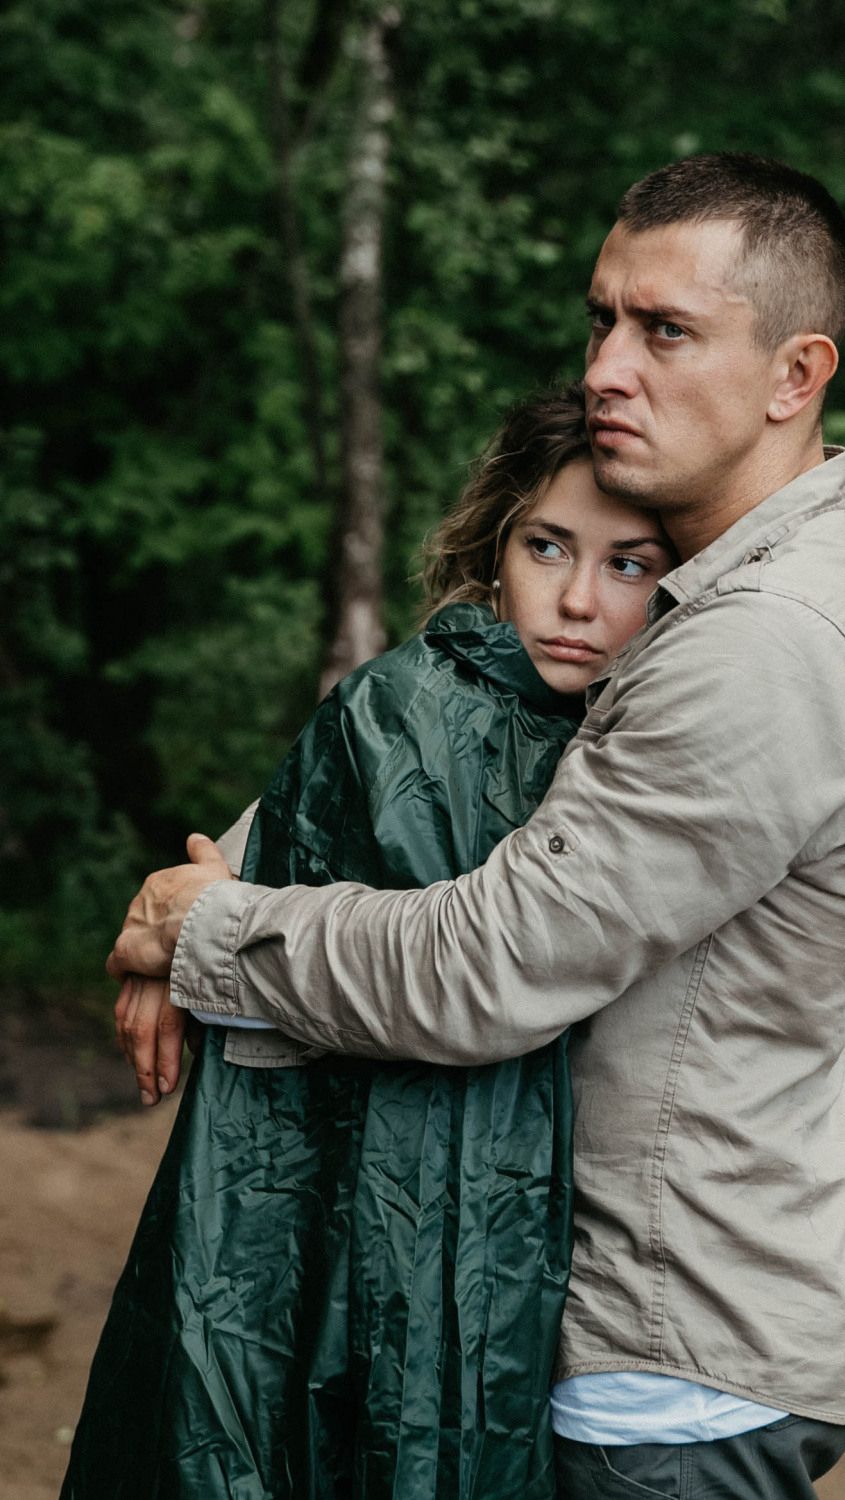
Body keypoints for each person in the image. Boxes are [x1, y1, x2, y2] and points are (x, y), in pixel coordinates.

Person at [108, 152, 845, 1499]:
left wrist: (205, 935)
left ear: (795, 375)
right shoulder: (723, 589)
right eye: (601, 320)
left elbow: (488, 963)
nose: (607, 367)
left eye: (664, 331)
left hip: (656, 1375)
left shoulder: (761, 642)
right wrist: (223, 875)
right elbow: (461, 768)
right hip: (623, 1338)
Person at [62, 387, 674, 1498]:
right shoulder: (401, 708)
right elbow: (296, 831)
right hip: (351, 1209)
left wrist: (185, 931)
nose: (577, 601)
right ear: (496, 550)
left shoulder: (660, 735)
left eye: (628, 565)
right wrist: (176, 933)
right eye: (546, 547)